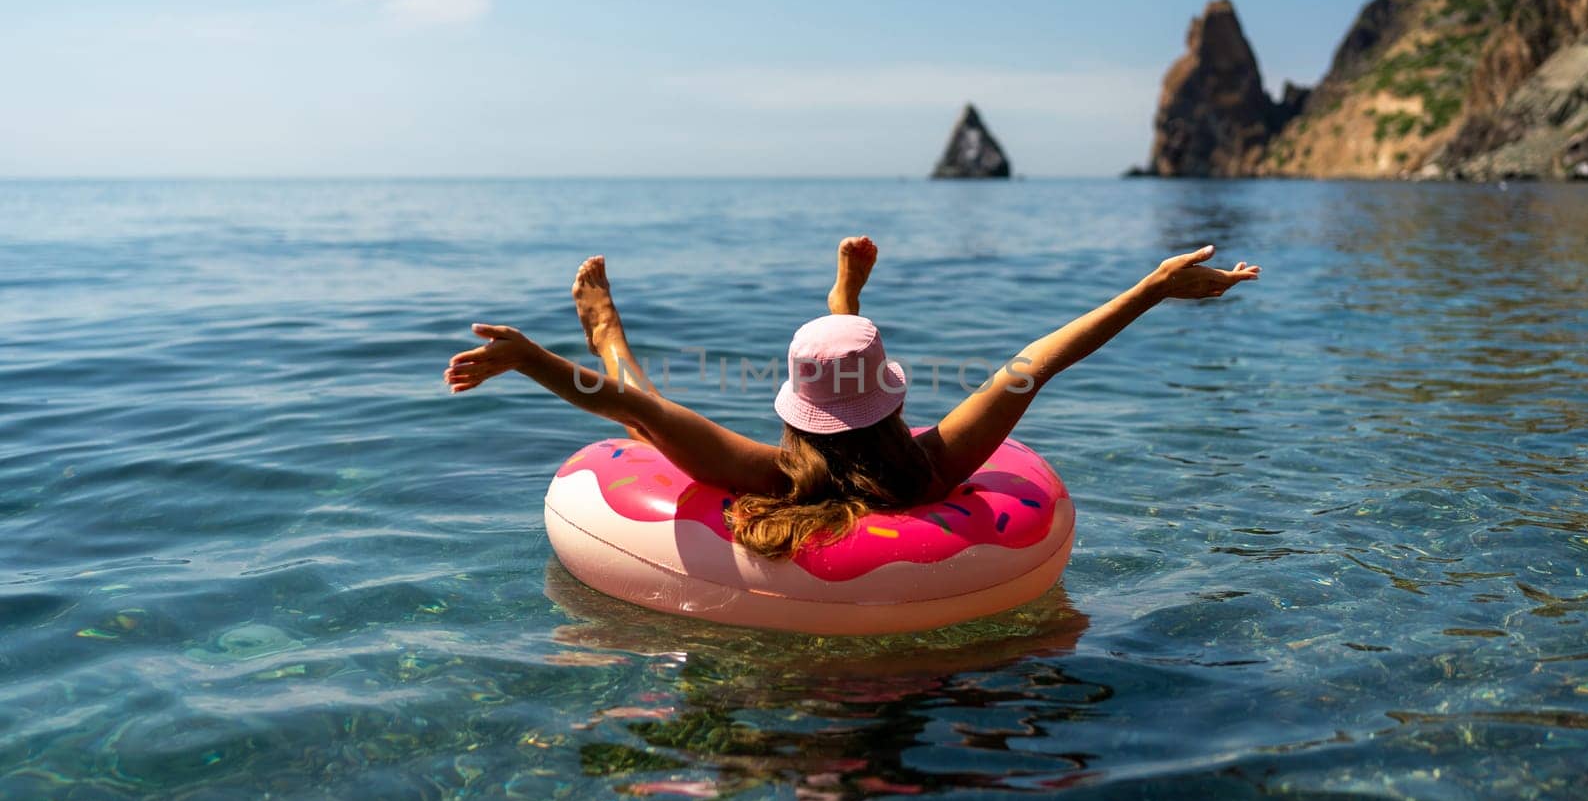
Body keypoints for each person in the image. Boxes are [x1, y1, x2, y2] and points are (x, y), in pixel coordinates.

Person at [445, 237, 1259, 557]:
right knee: (838, 366)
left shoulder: (766, 476)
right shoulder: (935, 467)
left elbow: (631, 410)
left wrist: (529, 360)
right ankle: (843, 304)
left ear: (792, 414)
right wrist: (1152, 286)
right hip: (879, 436)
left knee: (642, 406)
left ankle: (615, 336)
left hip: (809, 447)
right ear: (898, 407)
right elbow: (1035, 362)